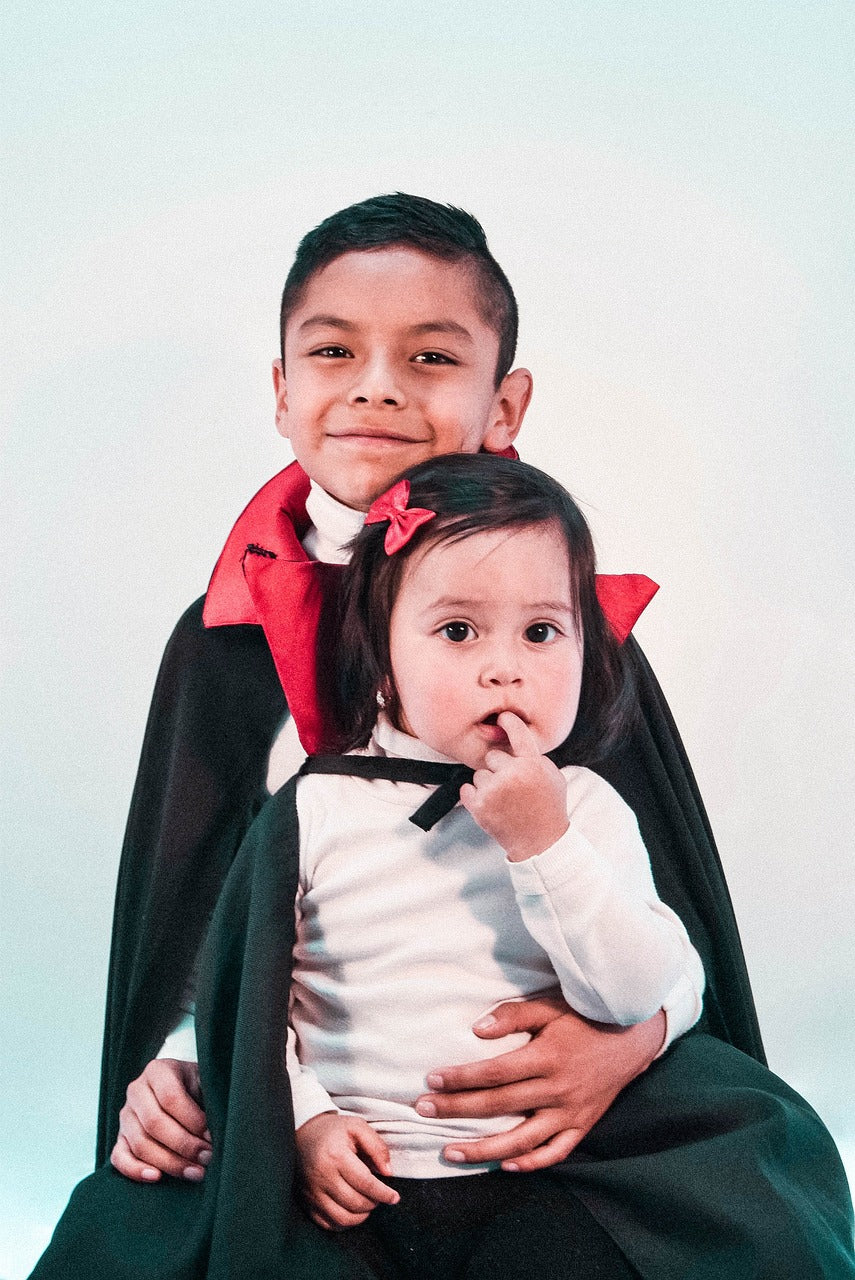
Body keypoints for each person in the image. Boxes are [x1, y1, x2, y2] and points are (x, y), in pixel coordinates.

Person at [29, 196, 854, 1277]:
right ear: (283, 391)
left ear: (503, 402)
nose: (376, 385)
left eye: (429, 356)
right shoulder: (223, 640)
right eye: (335, 351)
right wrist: (179, 1064)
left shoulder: (566, 632)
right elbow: (196, 923)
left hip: (546, 1107)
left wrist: (629, 1044)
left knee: (752, 1206)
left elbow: (666, 916)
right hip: (312, 1101)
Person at [287, 454, 704, 1265]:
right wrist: (303, 1120)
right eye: (456, 631)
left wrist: (541, 844)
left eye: (541, 632)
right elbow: (252, 997)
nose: (504, 666)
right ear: (380, 657)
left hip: (539, 1173)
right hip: (357, 1172)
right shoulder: (318, 807)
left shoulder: (582, 806)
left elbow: (631, 993)